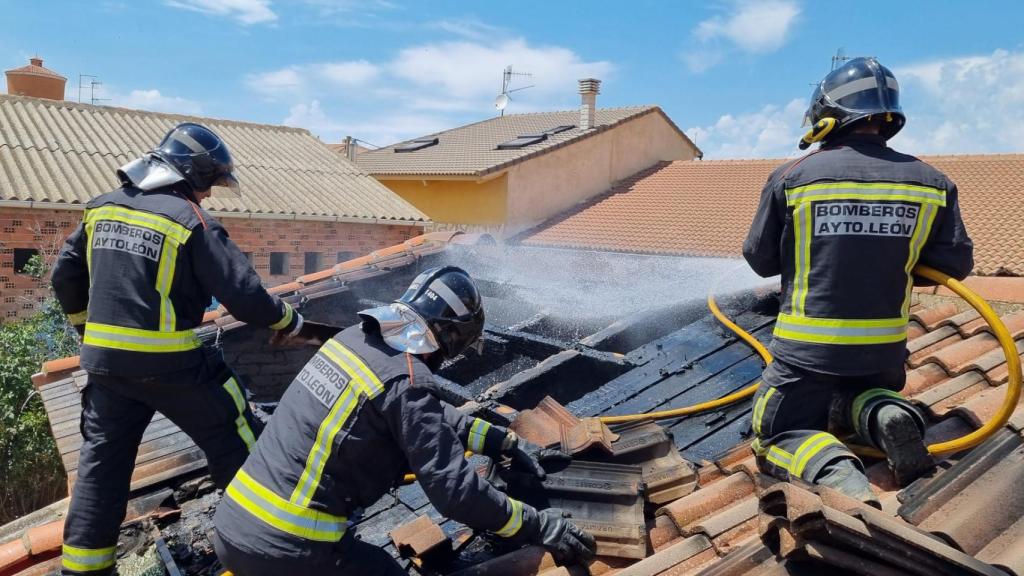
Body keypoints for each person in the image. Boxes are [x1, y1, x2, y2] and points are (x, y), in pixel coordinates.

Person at [51, 123, 321, 575]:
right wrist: (290, 322)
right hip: (172, 365)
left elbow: (65, 278)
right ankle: (270, 540)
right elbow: (244, 293)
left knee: (101, 470)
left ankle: (83, 571)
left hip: (104, 368)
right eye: (211, 184)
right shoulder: (189, 221)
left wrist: (86, 331)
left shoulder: (99, 209)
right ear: (192, 174)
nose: (210, 195)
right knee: (237, 433)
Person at [212, 266, 597, 575]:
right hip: (286, 549)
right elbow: (457, 493)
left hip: (233, 527)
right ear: (449, 333)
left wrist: (502, 441)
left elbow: (423, 417)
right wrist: (538, 525)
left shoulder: (353, 340)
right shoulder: (408, 378)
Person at [742, 57, 974, 505]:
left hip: (807, 356)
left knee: (775, 435)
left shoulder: (795, 176)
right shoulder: (933, 182)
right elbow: (954, 265)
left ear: (828, 115)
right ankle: (885, 411)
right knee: (853, 395)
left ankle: (839, 473)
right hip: (882, 356)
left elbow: (760, 259)